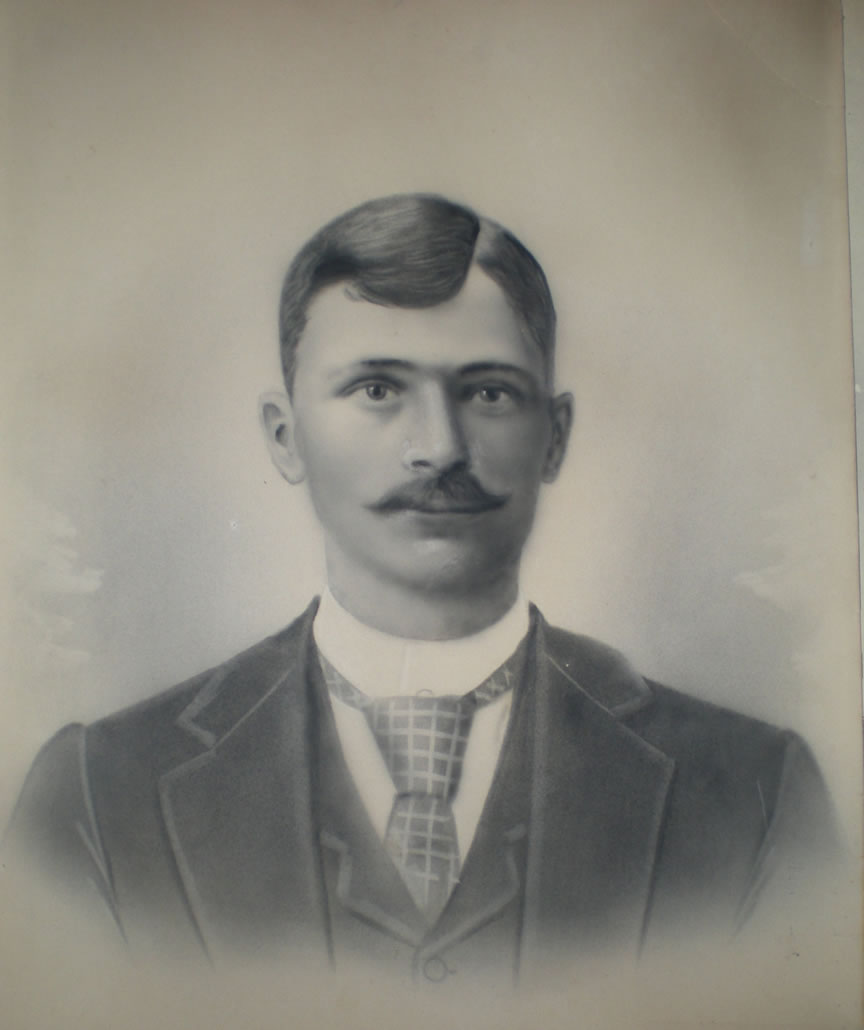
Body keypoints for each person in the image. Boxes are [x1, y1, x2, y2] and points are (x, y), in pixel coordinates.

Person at [5, 194, 836, 984]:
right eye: (377, 389)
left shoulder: (758, 795)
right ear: (285, 437)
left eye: (487, 392)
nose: (439, 448)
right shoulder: (96, 793)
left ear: (554, 436)